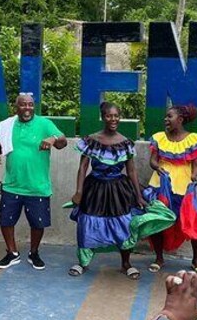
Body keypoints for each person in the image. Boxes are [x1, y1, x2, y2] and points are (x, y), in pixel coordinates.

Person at [68, 102, 176, 279]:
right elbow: (82, 168)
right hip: (94, 188)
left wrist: (139, 196)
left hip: (119, 190)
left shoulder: (125, 143)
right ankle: (83, 263)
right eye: (109, 116)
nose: (113, 119)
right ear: (103, 117)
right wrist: (79, 191)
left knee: (123, 225)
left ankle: (126, 263)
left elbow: (131, 170)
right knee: (87, 223)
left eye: (116, 115)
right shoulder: (91, 141)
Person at [0, 93, 67, 270]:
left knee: (38, 223)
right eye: (23, 105)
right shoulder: (8, 124)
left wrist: (53, 139)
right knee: (5, 221)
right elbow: (0, 140)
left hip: (37, 186)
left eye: (31, 105)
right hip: (12, 184)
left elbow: (63, 142)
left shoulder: (44, 123)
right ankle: (12, 253)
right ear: (16, 107)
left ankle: (34, 252)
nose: (27, 108)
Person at [145, 104, 197, 273]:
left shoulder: (193, 139)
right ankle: (159, 258)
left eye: (169, 117)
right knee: (157, 220)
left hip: (183, 187)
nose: (166, 119)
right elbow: (153, 160)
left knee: (193, 221)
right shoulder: (159, 138)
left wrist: (194, 176)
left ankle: (196, 260)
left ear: (180, 120)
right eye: (166, 117)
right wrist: (156, 166)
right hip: (160, 184)